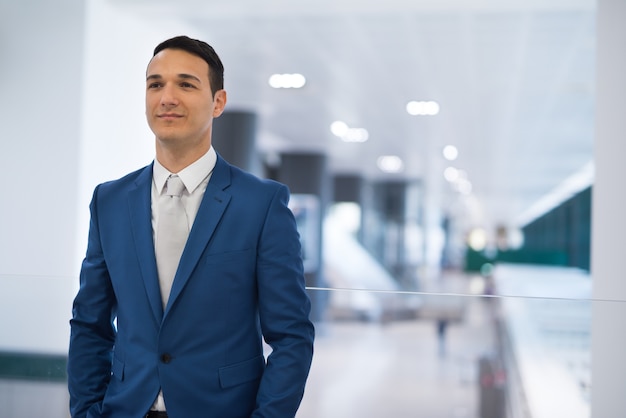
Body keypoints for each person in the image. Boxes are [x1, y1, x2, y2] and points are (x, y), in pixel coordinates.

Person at [67, 35, 315, 418]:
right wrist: (86, 410)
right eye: (155, 84)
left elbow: (291, 337)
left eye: (186, 84)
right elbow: (90, 324)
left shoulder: (261, 204)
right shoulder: (110, 201)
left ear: (218, 102)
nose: (167, 97)